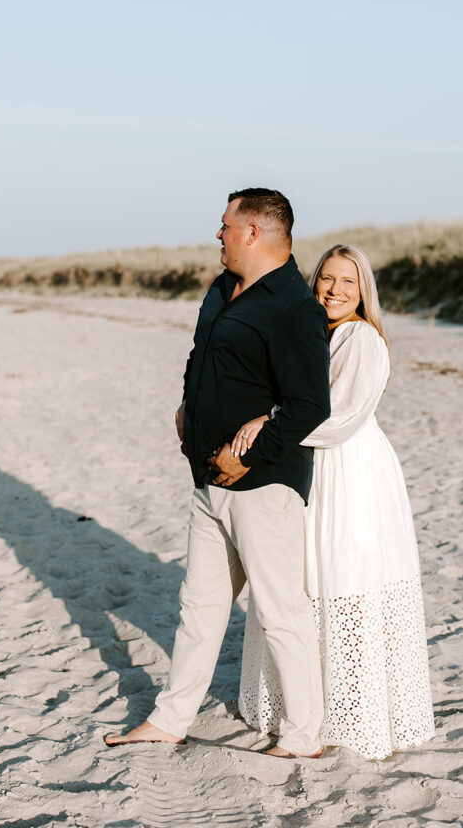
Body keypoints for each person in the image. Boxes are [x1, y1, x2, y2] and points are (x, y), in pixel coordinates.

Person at [104, 189, 330, 758]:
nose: (218, 233)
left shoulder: (294, 308)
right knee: (198, 609)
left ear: (253, 230)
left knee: (281, 612)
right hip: (206, 478)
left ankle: (303, 736)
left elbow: (309, 406)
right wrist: (188, 408)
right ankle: (170, 719)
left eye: (226, 224)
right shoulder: (220, 289)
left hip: (264, 485)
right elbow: (200, 354)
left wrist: (246, 456)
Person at [235, 245, 435, 760]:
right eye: (327, 278)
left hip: (350, 472)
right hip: (310, 466)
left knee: (343, 579)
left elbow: (339, 414)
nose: (335, 290)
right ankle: (305, 707)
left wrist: (268, 426)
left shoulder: (361, 338)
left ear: (363, 289)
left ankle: (352, 715)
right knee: (304, 580)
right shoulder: (315, 333)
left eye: (348, 281)